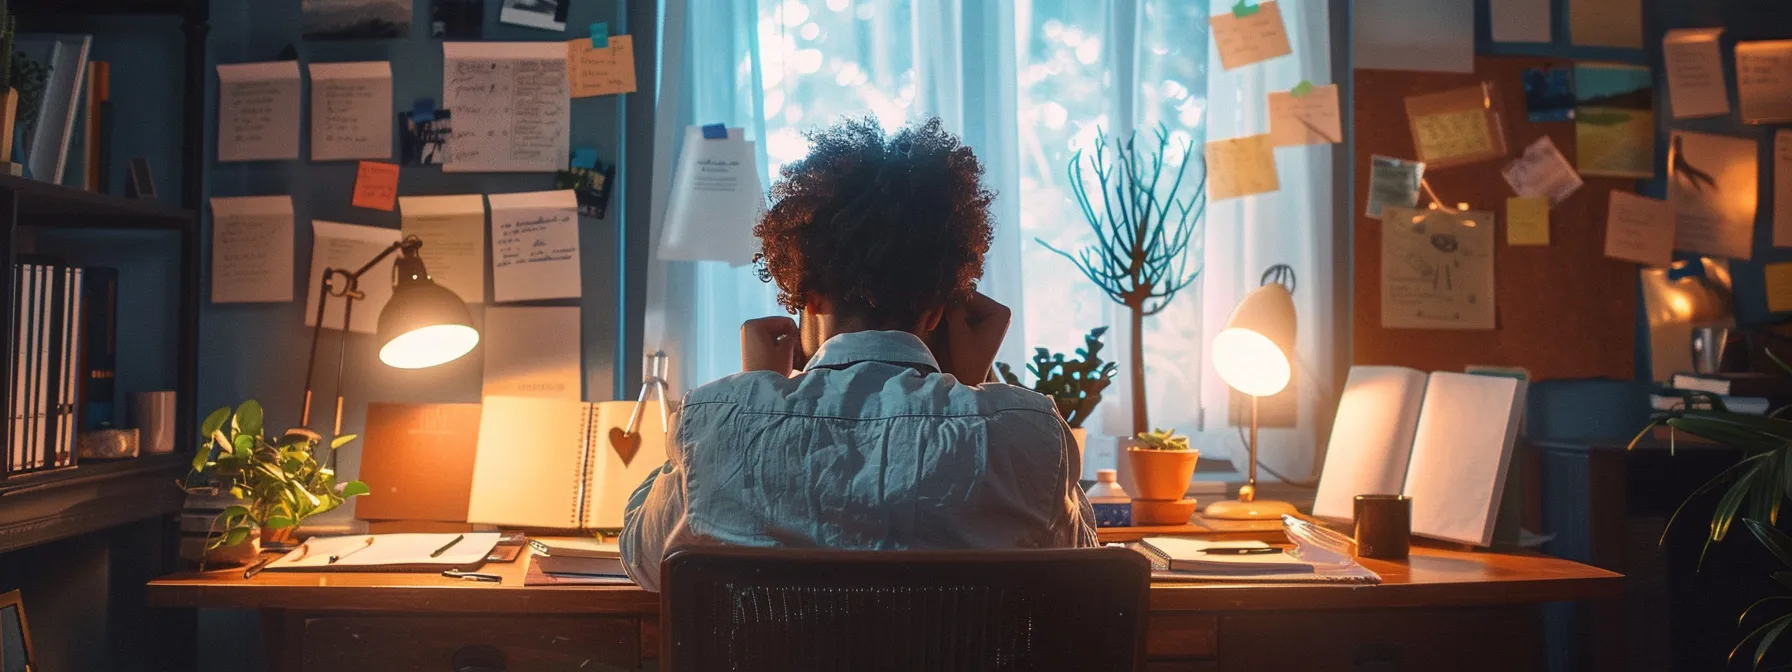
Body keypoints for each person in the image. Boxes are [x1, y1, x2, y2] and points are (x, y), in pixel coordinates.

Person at [620, 117, 1097, 591]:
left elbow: (643, 559)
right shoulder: (1027, 432)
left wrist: (753, 392)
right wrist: (977, 388)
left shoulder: (719, 419)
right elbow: (1078, 569)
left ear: (808, 295)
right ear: (939, 308)